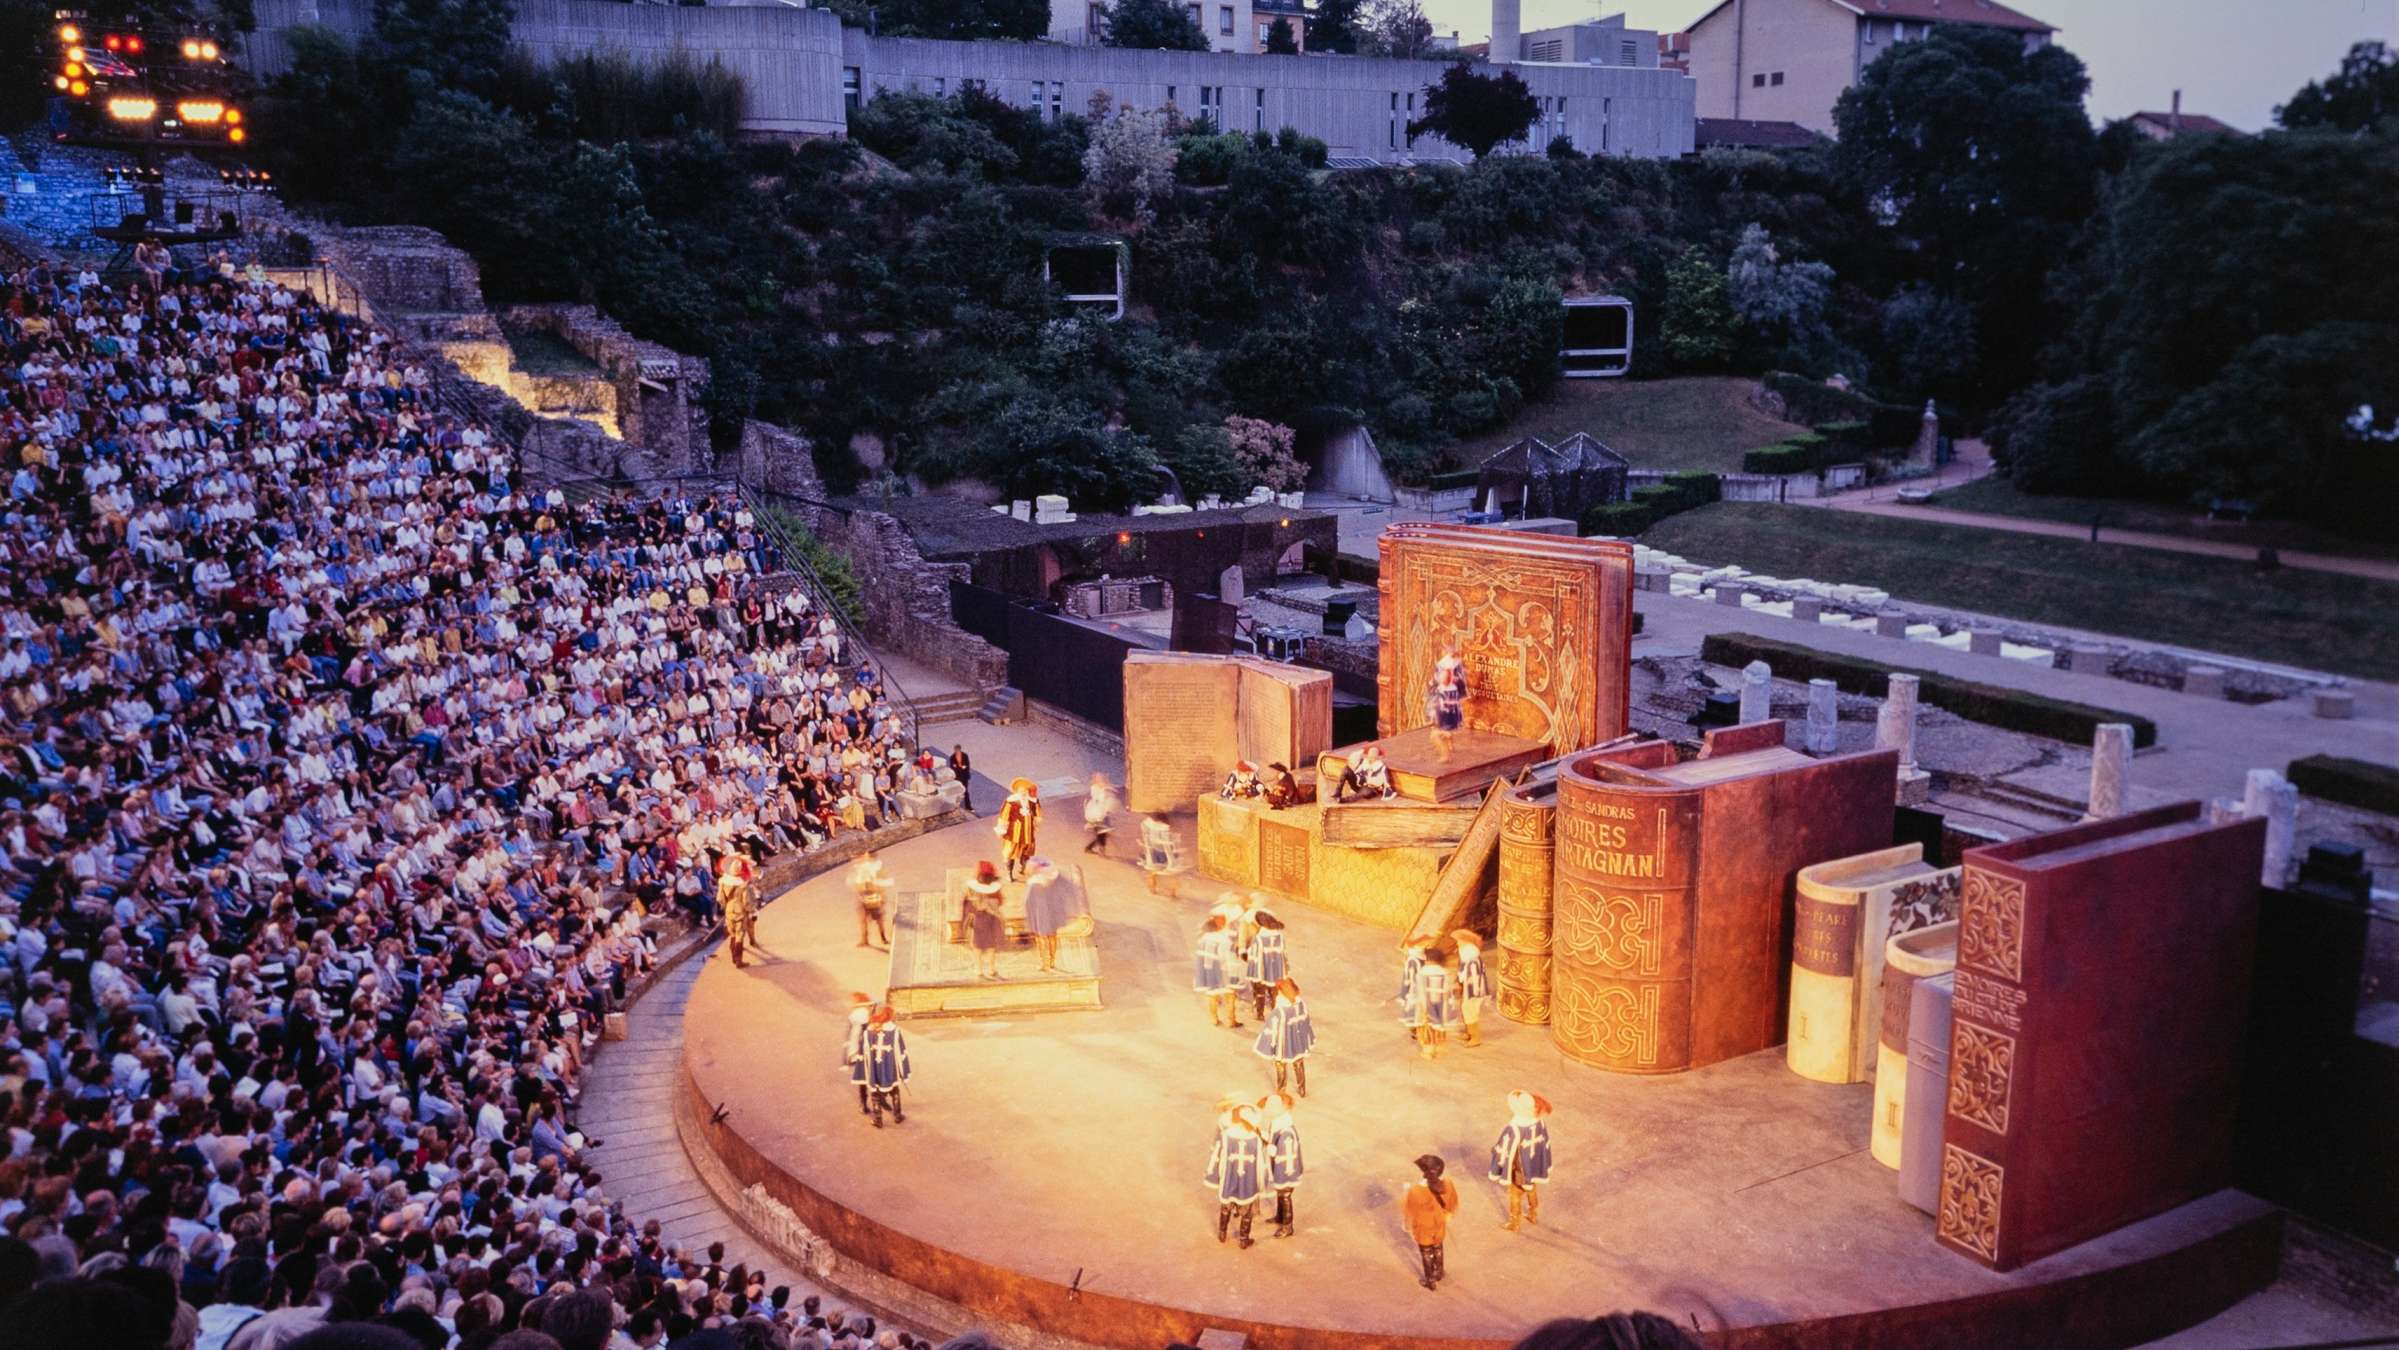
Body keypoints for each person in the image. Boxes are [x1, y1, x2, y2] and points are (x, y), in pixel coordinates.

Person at [1202, 1103, 1266, 1249]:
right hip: (1247, 1182)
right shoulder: (1255, 1139)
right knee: (1247, 1211)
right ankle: (1244, 1239)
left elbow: (1218, 1156)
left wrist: (1217, 1176)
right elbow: (1260, 1164)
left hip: (1229, 1178)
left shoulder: (1226, 1135)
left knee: (1226, 1206)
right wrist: (1260, 1183)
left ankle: (1222, 1233)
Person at [1490, 1089, 1555, 1231]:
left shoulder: (1514, 1127)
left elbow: (1506, 1148)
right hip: (1533, 1165)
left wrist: (1496, 1155)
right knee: (1531, 1187)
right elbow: (1544, 1144)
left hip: (1519, 1168)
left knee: (1514, 1193)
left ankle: (1514, 1222)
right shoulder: (1539, 1123)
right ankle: (1533, 1213)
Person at [1403, 1153, 1460, 1290]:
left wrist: (1406, 1191)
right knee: (1438, 1246)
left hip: (1423, 1225)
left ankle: (1430, 1280)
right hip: (1439, 1221)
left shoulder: (1415, 1190)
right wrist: (1447, 1214)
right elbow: (1452, 1203)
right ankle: (1439, 1272)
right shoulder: (1448, 1184)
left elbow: (1409, 1209)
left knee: (1426, 1251)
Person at [1253, 977, 1314, 1097]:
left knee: (1280, 1064)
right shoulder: (1300, 1004)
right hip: (1297, 1041)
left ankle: (1281, 1090)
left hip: (1283, 1043)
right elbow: (1306, 1022)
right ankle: (1302, 1088)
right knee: (1298, 1062)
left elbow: (1272, 1029)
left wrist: (1271, 1044)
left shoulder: (1280, 1010)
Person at [1021, 856, 1082, 973]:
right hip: (1053, 913)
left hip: (1039, 915)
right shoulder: (1055, 878)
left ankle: (1045, 963)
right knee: (1052, 936)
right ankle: (1052, 961)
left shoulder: (1033, 885)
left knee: (1041, 938)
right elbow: (1071, 888)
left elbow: (1027, 901)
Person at [1257, 1091, 1304, 1240]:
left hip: (1286, 1169)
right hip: (1279, 1166)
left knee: (1285, 1195)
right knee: (1281, 1193)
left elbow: (1286, 1152)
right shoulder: (1278, 1123)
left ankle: (1287, 1226)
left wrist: (1273, 1149)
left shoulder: (1286, 1130)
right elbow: (1273, 1140)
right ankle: (1280, 1216)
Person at [1408, 947, 1460, 1061]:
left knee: (1427, 1029)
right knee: (1437, 1027)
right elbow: (1448, 989)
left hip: (1425, 1007)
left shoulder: (1422, 973)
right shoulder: (1445, 973)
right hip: (1440, 1006)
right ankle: (1436, 1046)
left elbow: (1418, 992)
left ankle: (1428, 1051)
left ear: (1428, 959)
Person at [862, 1005, 911, 1127]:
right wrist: (903, 1071)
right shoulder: (894, 1031)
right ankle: (898, 1115)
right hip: (890, 1068)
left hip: (875, 1069)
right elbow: (900, 1051)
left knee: (875, 1093)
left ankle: (878, 1119)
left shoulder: (868, 1031)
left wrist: (868, 1070)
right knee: (894, 1090)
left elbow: (866, 1053)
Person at [1193, 912, 1242, 1027]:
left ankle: (1214, 1019)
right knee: (1230, 994)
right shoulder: (1224, 940)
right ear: (1221, 925)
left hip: (1209, 973)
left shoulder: (1203, 938)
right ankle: (1231, 1020)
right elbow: (1228, 957)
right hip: (1223, 970)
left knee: (1212, 995)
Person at [963, 860, 1006, 979]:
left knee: (977, 947)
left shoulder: (972, 891)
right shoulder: (995, 891)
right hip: (992, 921)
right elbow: (1001, 901)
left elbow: (968, 907)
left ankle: (979, 970)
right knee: (991, 946)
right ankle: (991, 969)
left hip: (978, 922)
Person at [1244, 908, 1288, 1023]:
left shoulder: (1259, 938)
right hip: (1276, 970)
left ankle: (1260, 1014)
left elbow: (1254, 954)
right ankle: (1275, 1013)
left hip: (1261, 970)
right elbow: (1283, 953)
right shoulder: (1279, 936)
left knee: (1259, 992)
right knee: (1274, 992)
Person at [1453, 929, 1491, 1047]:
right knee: (1466, 1010)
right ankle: (1469, 1033)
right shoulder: (1467, 956)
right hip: (1469, 988)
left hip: (1474, 990)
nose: (1457, 943)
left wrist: (1460, 984)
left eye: (1459, 941)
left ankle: (1475, 1038)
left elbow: (1472, 977)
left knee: (1470, 1012)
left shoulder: (1471, 959)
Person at [1429, 646, 1468, 761]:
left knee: (1439, 733)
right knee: (1445, 730)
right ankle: (1449, 745)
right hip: (1445, 712)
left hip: (1446, 714)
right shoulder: (1443, 686)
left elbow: (1446, 707)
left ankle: (1445, 755)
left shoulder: (1450, 688)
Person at [997, 778, 1041, 880]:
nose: (1024, 793)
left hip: (1028, 833)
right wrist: (1001, 829)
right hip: (1014, 834)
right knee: (1010, 854)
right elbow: (1004, 817)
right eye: (1021, 791)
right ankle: (1009, 874)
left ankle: (1023, 869)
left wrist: (1035, 824)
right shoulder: (1011, 802)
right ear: (1017, 791)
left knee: (1026, 854)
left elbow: (1037, 814)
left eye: (1025, 790)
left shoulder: (1033, 801)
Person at [850, 849, 894, 949]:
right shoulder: (861, 867)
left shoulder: (878, 868)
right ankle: (864, 939)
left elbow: (885, 881)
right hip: (863, 897)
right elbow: (856, 882)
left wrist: (877, 888)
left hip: (875, 896)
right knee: (863, 919)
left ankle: (883, 937)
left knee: (879, 919)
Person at [843, 993, 877, 1116]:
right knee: (873, 1075)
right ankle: (876, 1103)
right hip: (868, 1048)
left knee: (862, 1078)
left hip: (857, 1050)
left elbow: (850, 1034)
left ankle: (863, 1104)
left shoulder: (853, 1016)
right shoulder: (866, 1015)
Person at [722, 863, 758, 969]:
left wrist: (727, 906)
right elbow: (746, 902)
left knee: (732, 934)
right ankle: (739, 960)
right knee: (739, 936)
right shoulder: (743, 885)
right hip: (740, 912)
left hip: (729, 910)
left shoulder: (724, 882)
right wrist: (752, 912)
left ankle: (733, 957)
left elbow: (720, 899)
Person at [1082, 774, 1117, 854]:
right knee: (1101, 832)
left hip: (1101, 812)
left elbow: (1105, 797)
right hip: (1096, 813)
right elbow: (1099, 798)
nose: (1102, 780)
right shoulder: (1095, 788)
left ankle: (1094, 848)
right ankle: (1096, 848)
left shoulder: (1102, 787)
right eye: (1100, 779)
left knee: (1102, 832)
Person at [949, 744, 975, 810]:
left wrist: (961, 767)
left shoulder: (965, 755)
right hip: (957, 777)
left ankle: (968, 806)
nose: (957, 752)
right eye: (956, 750)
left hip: (964, 776)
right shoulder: (952, 757)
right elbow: (952, 767)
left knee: (965, 791)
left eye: (958, 750)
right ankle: (955, 806)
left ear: (960, 750)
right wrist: (959, 767)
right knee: (956, 792)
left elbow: (967, 765)